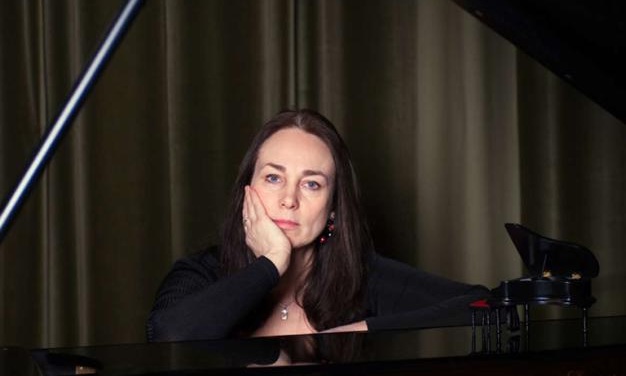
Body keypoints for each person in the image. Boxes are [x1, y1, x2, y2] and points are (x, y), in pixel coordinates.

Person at [147, 110, 488, 342]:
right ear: (245, 192)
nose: (289, 199)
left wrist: (359, 330)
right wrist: (271, 262)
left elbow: (484, 305)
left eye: (311, 184)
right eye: (273, 178)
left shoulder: (362, 277)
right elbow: (168, 338)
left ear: (334, 207)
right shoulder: (202, 272)